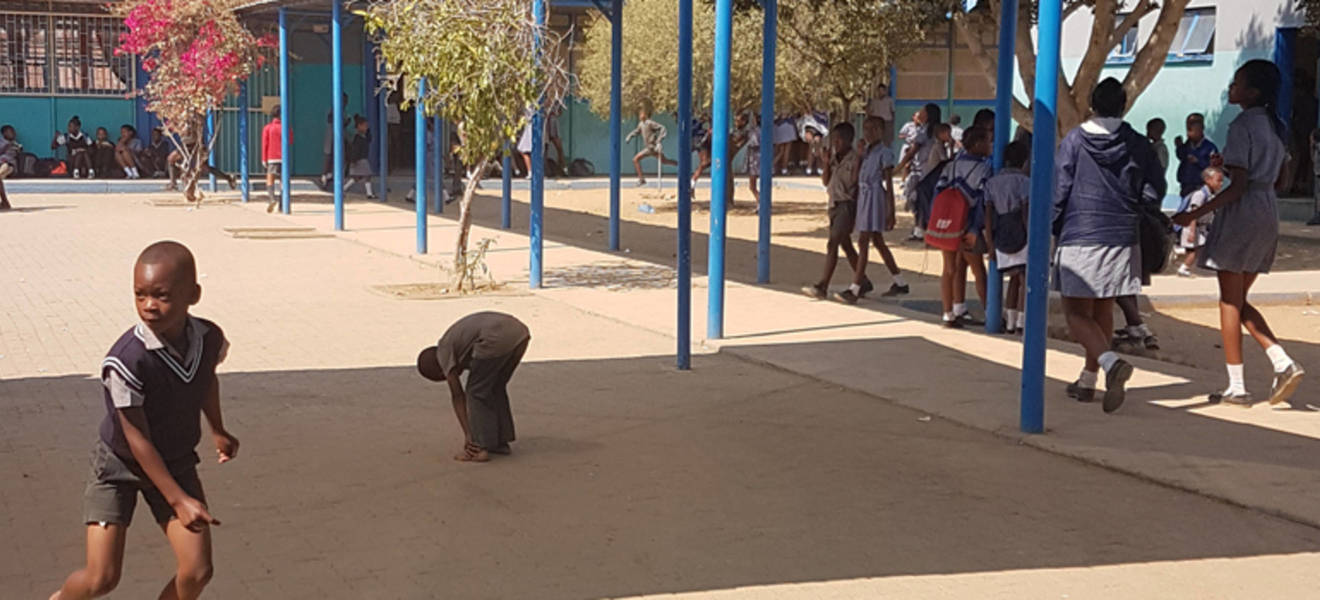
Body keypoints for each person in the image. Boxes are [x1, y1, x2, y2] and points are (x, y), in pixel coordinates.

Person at [49, 241, 237, 600]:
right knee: (101, 578)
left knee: (197, 571)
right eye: (140, 295)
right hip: (119, 465)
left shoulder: (209, 338)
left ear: (193, 295)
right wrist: (179, 500)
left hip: (175, 461)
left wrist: (218, 428)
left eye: (162, 295)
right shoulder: (125, 362)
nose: (149, 306)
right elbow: (137, 438)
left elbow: (206, 379)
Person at [1173, 59, 1306, 407]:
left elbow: (1238, 187)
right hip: (1268, 210)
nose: (1231, 88)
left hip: (1243, 213)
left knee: (1229, 300)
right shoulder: (1276, 126)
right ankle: (1280, 360)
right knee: (1240, 298)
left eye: (1237, 83)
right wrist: (1230, 168)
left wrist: (1194, 213)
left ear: (1253, 91)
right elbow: (1281, 180)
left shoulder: (1241, 125)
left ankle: (1238, 384)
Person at [1053, 77, 1161, 413]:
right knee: (1102, 308)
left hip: (1081, 231)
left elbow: (1060, 189)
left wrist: (1053, 226)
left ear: (1092, 105)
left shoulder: (1074, 141)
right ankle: (1088, 380)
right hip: (1123, 236)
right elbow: (1154, 188)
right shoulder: (1139, 144)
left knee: (1075, 313)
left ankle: (1111, 363)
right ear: (1123, 105)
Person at [417, 312, 531, 462]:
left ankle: (478, 448)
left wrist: (469, 434)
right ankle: (499, 442)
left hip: (495, 338)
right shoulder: (455, 344)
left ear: (440, 371)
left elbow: (458, 396)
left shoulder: (443, 352)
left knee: (475, 392)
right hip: (519, 333)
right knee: (495, 387)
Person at [835, 116, 907, 304]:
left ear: (881, 131)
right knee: (877, 240)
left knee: (864, 240)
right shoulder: (865, 152)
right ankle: (899, 280)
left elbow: (889, 184)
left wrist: (891, 210)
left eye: (873, 129)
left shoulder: (885, 153)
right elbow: (857, 177)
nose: (868, 133)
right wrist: (859, 155)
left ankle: (856, 287)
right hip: (864, 197)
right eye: (866, 129)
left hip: (875, 197)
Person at [933, 125, 992, 327]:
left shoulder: (951, 166)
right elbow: (982, 202)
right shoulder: (984, 169)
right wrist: (975, 229)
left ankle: (948, 313)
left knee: (949, 268)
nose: (991, 145)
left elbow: (938, 193)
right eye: (988, 141)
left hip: (948, 225)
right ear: (977, 144)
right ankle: (990, 313)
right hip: (968, 225)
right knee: (979, 270)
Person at [802, 122, 867, 300]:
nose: (836, 143)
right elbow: (825, 181)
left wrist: (859, 160)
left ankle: (823, 284)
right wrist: (825, 163)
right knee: (844, 243)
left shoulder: (854, 159)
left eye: (839, 140)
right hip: (834, 203)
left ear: (849, 140)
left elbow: (854, 182)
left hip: (847, 204)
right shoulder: (833, 158)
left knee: (833, 243)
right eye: (834, 140)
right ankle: (864, 280)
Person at [984, 140, 1031, 334]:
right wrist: (1030, 236)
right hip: (1020, 230)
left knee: (1012, 277)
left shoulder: (992, 183)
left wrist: (990, 242)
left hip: (1000, 231)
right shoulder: (1025, 182)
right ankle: (1021, 320)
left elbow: (988, 214)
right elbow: (1026, 212)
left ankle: (1010, 320)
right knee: (1025, 278)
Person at [1175, 166, 1224, 277]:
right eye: (1218, 181)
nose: (1220, 184)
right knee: (1194, 250)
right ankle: (1183, 268)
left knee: (1201, 248)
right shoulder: (1200, 195)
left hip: (1202, 228)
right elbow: (1194, 213)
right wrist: (1192, 232)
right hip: (1193, 227)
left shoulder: (1211, 195)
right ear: (1208, 180)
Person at [625, 109, 675, 186]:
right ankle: (679, 164)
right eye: (639, 114)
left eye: (642, 114)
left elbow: (662, 128)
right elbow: (637, 131)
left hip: (652, 147)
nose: (640, 116)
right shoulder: (641, 124)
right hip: (648, 148)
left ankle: (641, 179)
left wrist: (659, 140)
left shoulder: (650, 123)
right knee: (664, 161)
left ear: (645, 115)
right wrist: (629, 136)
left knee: (635, 159)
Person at [1174, 112, 1220, 196]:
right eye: (1188, 125)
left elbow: (1214, 168)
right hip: (1186, 185)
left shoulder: (1209, 147)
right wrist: (1179, 147)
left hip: (1201, 186)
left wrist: (1198, 161)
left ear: (1201, 127)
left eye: (1193, 124)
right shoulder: (1187, 146)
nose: (1189, 128)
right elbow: (1182, 157)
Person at [319, 93, 351, 190]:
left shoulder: (343, 111)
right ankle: (325, 178)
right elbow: (332, 121)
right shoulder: (335, 110)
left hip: (340, 138)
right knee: (329, 159)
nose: (345, 103)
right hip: (333, 138)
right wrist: (345, 122)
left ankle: (331, 177)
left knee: (340, 160)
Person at [343, 114, 376, 199]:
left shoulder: (364, 137)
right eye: (365, 126)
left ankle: (344, 188)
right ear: (359, 126)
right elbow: (355, 150)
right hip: (360, 159)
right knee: (368, 175)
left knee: (357, 177)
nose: (366, 128)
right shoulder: (357, 138)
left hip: (361, 159)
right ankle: (369, 193)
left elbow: (370, 139)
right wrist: (353, 160)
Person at [260, 104, 286, 212]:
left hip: (271, 157)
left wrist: (264, 158)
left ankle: (271, 198)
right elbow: (290, 140)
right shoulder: (285, 127)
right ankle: (282, 204)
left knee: (270, 178)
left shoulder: (267, 128)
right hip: (284, 158)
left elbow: (264, 144)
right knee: (283, 181)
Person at [690, 114, 713, 194]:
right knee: (705, 162)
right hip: (700, 140)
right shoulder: (693, 121)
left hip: (698, 141)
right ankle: (692, 181)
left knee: (705, 162)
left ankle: (693, 181)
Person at [1, 124, 22, 210]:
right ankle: (5, 202)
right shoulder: (2, 142)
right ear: (4, 134)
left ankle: (5, 202)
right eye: (9, 132)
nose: (13, 134)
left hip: (8, 165)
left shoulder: (14, 145)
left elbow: (10, 157)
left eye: (13, 131)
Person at [546, 105, 566, 176]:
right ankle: (547, 170)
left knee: (559, 148)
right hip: (545, 124)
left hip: (552, 122)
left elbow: (559, 112)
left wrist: (553, 113)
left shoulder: (555, 100)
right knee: (545, 149)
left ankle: (563, 168)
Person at [1309, 128, 1320, 226]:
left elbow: (1313, 159)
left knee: (1318, 196)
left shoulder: (1317, 148)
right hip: (1317, 173)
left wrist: (1311, 146)